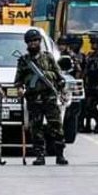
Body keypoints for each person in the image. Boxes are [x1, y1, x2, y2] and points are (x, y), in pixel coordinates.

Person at [16, 29, 67, 166]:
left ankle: (60, 154)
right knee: (36, 127)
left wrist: (62, 91)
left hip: (49, 97)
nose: (33, 44)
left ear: (39, 42)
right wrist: (20, 89)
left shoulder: (49, 57)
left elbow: (59, 76)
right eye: (30, 42)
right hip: (33, 98)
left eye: (35, 41)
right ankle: (39, 155)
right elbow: (18, 80)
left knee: (55, 125)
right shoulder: (24, 61)